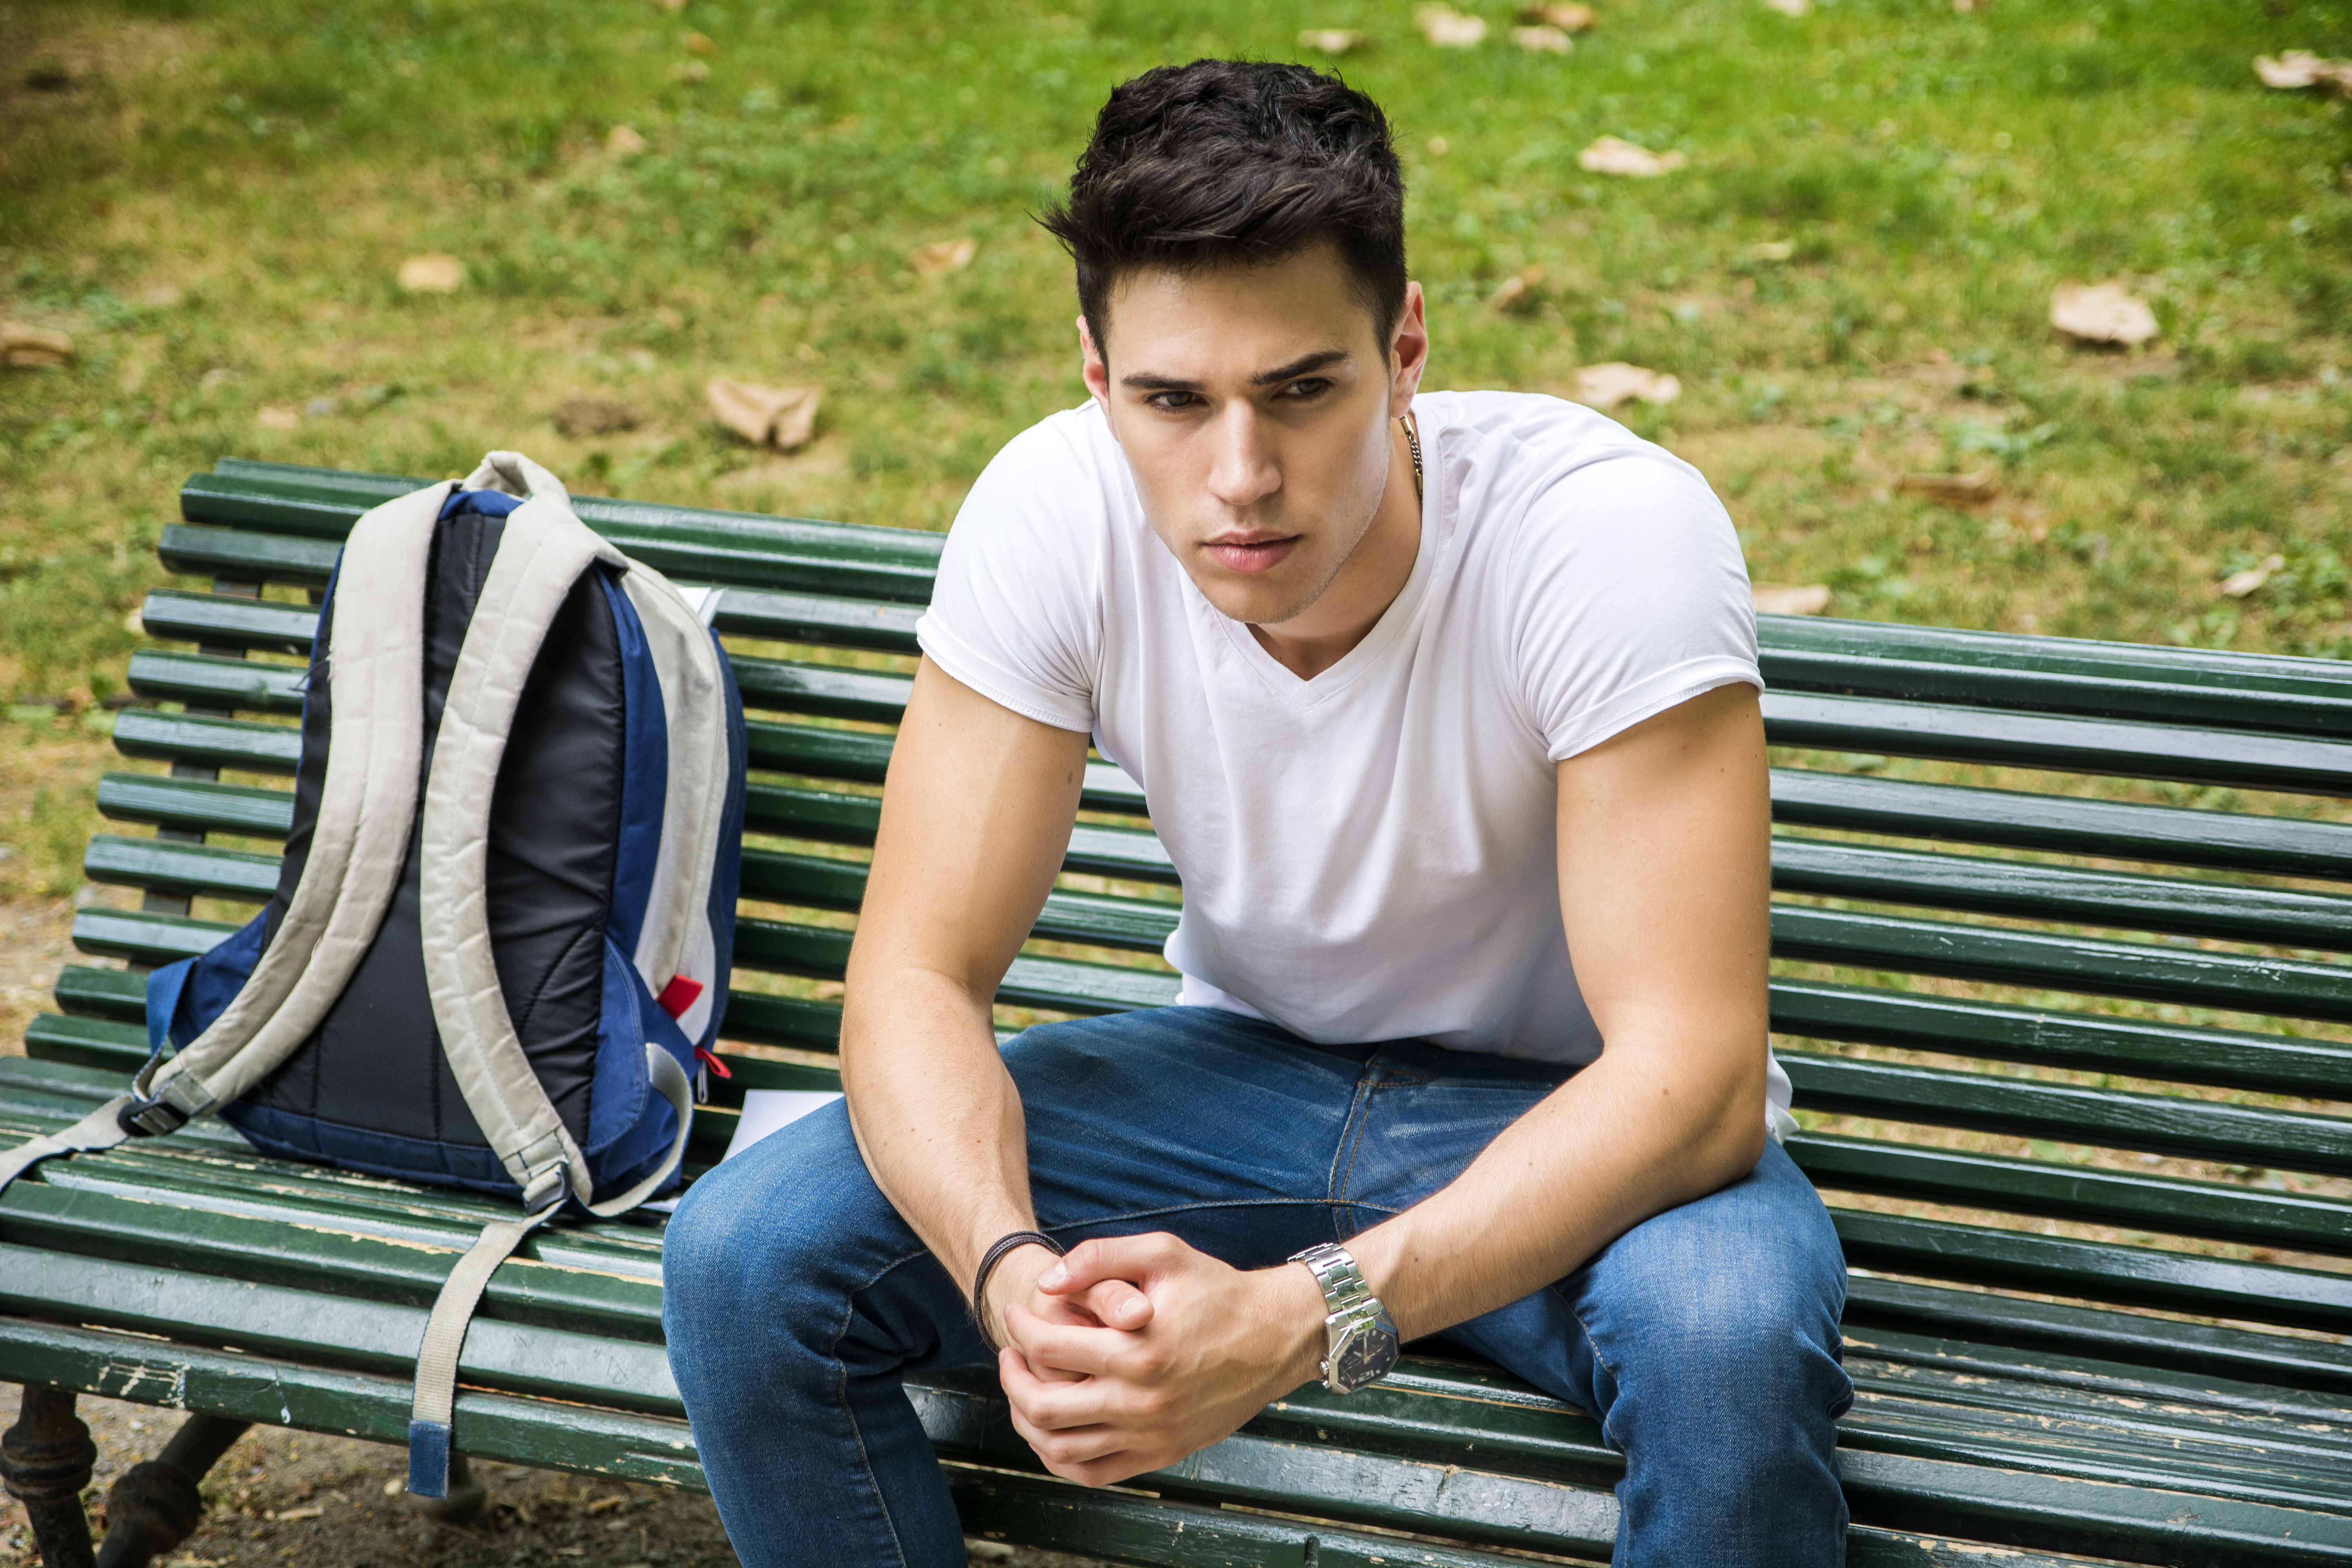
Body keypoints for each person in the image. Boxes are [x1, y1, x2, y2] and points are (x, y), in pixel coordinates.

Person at [662, 58, 1852, 1568]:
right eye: (1171, 400)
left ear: (1405, 343)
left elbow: (1691, 1077)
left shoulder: (1607, 539)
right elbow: (913, 980)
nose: (1242, 479)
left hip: (1575, 1110)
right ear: (1095, 372)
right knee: (745, 1256)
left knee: (1725, 1354)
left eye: (1303, 390)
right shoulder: (1050, 511)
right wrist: (1008, 1266)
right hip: (1236, 1077)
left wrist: (1307, 1315)